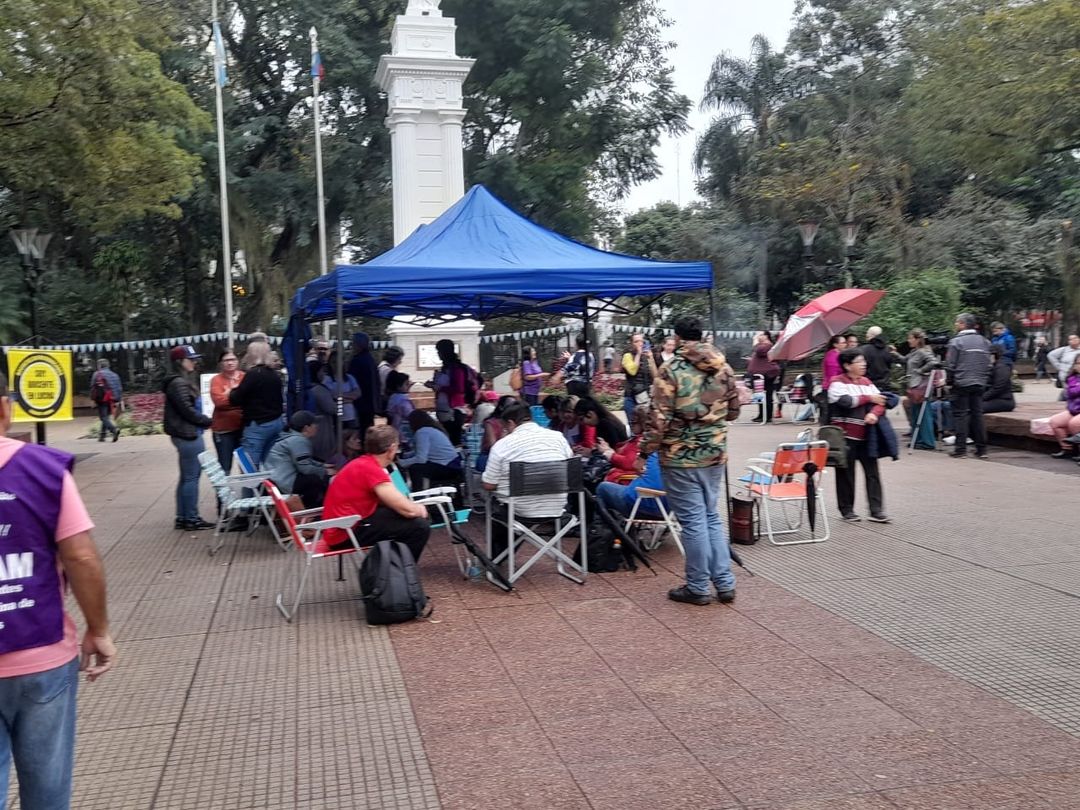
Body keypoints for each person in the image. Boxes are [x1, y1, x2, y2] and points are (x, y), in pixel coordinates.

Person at [0, 369, 116, 810]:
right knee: (47, 789)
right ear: (5, 407)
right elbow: (81, 557)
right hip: (41, 654)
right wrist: (99, 629)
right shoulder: (42, 469)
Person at [637, 315, 741, 606]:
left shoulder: (671, 370)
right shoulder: (724, 367)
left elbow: (658, 420)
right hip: (715, 454)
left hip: (680, 457)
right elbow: (734, 411)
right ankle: (724, 583)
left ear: (678, 338)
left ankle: (697, 587)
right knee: (710, 517)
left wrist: (643, 453)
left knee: (694, 522)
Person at [321, 426, 430, 560]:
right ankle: (401, 573)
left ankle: (393, 567)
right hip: (345, 533)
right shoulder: (372, 470)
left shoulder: (361, 463)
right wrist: (420, 509)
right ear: (392, 449)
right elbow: (408, 510)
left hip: (340, 528)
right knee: (419, 526)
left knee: (398, 519)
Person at [482, 402, 574, 555]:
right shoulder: (558, 438)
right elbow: (569, 469)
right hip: (557, 508)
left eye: (505, 428)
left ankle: (499, 556)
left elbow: (488, 484)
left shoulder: (503, 445)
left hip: (520, 511)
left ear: (511, 423)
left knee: (496, 503)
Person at [828, 349, 890, 522]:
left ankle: (876, 510)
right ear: (847, 365)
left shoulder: (867, 382)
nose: (864, 364)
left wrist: (874, 413)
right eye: (859, 361)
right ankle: (847, 510)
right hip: (845, 436)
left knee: (873, 473)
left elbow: (881, 401)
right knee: (846, 474)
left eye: (864, 361)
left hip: (867, 435)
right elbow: (847, 402)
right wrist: (869, 397)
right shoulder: (837, 383)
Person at [163, 346, 214, 530]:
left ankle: (183, 516)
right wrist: (207, 421)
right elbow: (187, 410)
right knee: (191, 477)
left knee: (186, 477)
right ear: (180, 362)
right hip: (188, 434)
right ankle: (191, 518)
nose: (194, 362)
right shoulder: (178, 384)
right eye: (190, 359)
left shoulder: (176, 382)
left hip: (184, 433)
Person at [229, 340, 284, 468]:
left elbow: (236, 399)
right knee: (269, 466)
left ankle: (251, 489)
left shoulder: (253, 374)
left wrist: (231, 391)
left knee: (249, 470)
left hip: (258, 426)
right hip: (276, 423)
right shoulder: (274, 375)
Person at [945, 313, 992, 459]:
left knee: (961, 415)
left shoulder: (956, 342)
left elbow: (951, 365)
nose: (956, 325)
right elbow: (988, 364)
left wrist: (949, 381)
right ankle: (982, 449)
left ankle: (960, 449)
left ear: (963, 325)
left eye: (957, 322)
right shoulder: (985, 342)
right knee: (977, 415)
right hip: (979, 382)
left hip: (962, 383)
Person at [263, 410, 331, 508]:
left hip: (275, 479)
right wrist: (325, 471)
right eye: (314, 424)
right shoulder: (299, 441)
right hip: (284, 483)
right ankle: (311, 510)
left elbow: (304, 461)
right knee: (316, 480)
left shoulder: (289, 437)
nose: (317, 427)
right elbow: (305, 469)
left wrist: (322, 465)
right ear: (306, 428)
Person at [398, 410, 463, 488]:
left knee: (415, 468)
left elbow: (421, 459)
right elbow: (420, 451)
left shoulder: (422, 432)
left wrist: (402, 463)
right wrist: (405, 456)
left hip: (448, 467)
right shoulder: (431, 430)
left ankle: (418, 494)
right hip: (453, 465)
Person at [426, 339, 473, 445]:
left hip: (454, 410)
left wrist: (439, 387)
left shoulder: (457, 369)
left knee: (454, 439)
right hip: (444, 409)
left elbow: (459, 388)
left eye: (439, 351)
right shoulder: (445, 369)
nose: (438, 354)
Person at [209, 349, 245, 475]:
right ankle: (223, 494)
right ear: (221, 363)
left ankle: (248, 494)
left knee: (246, 466)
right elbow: (219, 402)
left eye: (233, 359)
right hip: (223, 431)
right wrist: (238, 398)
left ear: (238, 361)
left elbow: (250, 400)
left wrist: (228, 393)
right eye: (226, 360)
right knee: (225, 467)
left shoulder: (244, 377)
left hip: (243, 429)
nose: (230, 363)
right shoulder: (216, 380)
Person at [597, 406, 648, 482]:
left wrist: (610, 455)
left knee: (600, 485)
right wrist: (608, 450)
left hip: (627, 480)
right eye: (630, 421)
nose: (631, 424)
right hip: (624, 477)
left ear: (643, 423)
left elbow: (629, 463)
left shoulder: (641, 441)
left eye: (634, 422)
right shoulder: (638, 438)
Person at [346, 333, 380, 439]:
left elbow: (350, 380)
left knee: (359, 433)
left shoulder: (357, 361)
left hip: (360, 402)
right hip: (371, 402)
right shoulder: (371, 359)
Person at [311, 361, 360, 433]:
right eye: (333, 361)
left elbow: (357, 393)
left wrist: (340, 396)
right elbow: (332, 398)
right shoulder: (326, 380)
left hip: (350, 415)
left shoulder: (349, 377)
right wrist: (348, 400)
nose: (337, 364)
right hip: (337, 418)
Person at [1047, 354, 1080, 459]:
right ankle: (1067, 449)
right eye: (1078, 363)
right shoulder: (1072, 378)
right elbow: (1070, 393)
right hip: (1074, 409)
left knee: (1074, 423)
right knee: (1055, 422)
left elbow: (1074, 391)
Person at [621, 333, 657, 419]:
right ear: (632, 344)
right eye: (636, 341)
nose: (640, 343)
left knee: (646, 424)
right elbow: (632, 371)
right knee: (633, 424)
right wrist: (638, 354)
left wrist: (651, 358)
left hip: (645, 396)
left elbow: (656, 376)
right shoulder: (627, 356)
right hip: (631, 396)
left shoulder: (647, 356)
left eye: (641, 341)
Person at [748, 331, 780, 423]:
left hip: (767, 374)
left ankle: (767, 415)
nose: (757, 336)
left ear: (766, 336)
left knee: (766, 395)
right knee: (760, 395)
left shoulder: (767, 345)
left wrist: (755, 342)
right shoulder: (763, 346)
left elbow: (759, 351)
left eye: (760, 335)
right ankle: (762, 414)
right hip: (760, 374)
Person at [90, 359, 122, 442]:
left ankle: (114, 430)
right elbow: (119, 388)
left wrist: (92, 399)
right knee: (106, 417)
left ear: (99, 366)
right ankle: (102, 436)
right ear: (108, 366)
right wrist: (118, 399)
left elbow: (93, 387)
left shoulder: (97, 374)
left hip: (102, 399)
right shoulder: (115, 375)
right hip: (112, 399)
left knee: (103, 417)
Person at [861, 326, 900, 392]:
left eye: (867, 333)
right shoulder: (889, 350)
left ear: (871, 336)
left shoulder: (863, 349)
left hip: (869, 386)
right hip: (885, 385)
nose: (866, 335)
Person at [982, 344, 1016, 414]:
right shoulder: (995, 366)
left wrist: (983, 397)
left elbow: (998, 387)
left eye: (989, 354)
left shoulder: (1002, 367)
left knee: (976, 408)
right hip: (995, 399)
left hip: (1004, 400)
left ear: (994, 355)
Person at [377, 346, 405, 414]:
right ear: (394, 359)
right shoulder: (389, 371)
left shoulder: (380, 367)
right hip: (387, 402)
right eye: (399, 359)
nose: (400, 362)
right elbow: (394, 390)